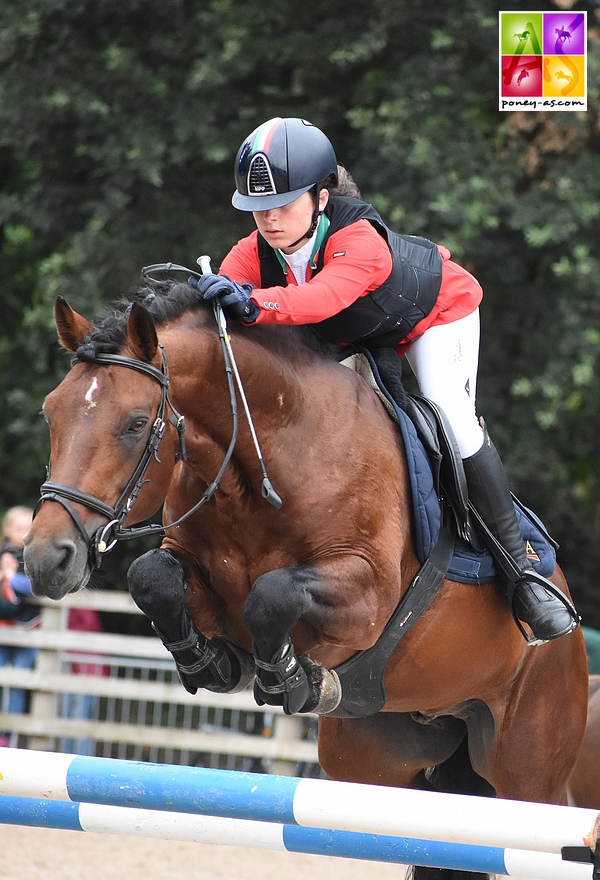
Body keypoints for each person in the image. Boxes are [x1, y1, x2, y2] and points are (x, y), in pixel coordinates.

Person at [197, 116, 577, 644]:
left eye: (284, 203)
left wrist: (250, 301)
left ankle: (523, 575)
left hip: (434, 317)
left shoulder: (361, 240)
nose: (269, 218)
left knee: (451, 416)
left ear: (322, 198)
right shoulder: (255, 251)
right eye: (259, 208)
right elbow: (227, 302)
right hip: (358, 337)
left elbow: (318, 301)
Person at [0, 506, 40, 742]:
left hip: (28, 628)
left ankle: (9, 735)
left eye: (29, 529)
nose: (25, 534)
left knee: (20, 680)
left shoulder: (34, 557)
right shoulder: (3, 555)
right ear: (7, 530)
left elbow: (36, 588)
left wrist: (11, 577)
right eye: (19, 528)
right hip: (4, 628)